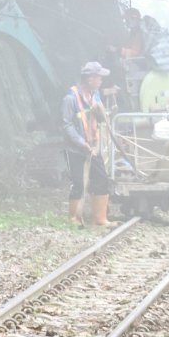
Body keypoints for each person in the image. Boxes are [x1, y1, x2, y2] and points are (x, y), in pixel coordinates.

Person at [62, 61, 118, 227]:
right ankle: (74, 219)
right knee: (78, 183)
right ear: (89, 79)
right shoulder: (70, 98)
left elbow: (100, 119)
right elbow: (66, 124)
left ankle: (100, 219)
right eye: (99, 77)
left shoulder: (96, 95)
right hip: (76, 149)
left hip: (94, 147)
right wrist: (80, 142)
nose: (101, 81)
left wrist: (102, 111)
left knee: (101, 179)